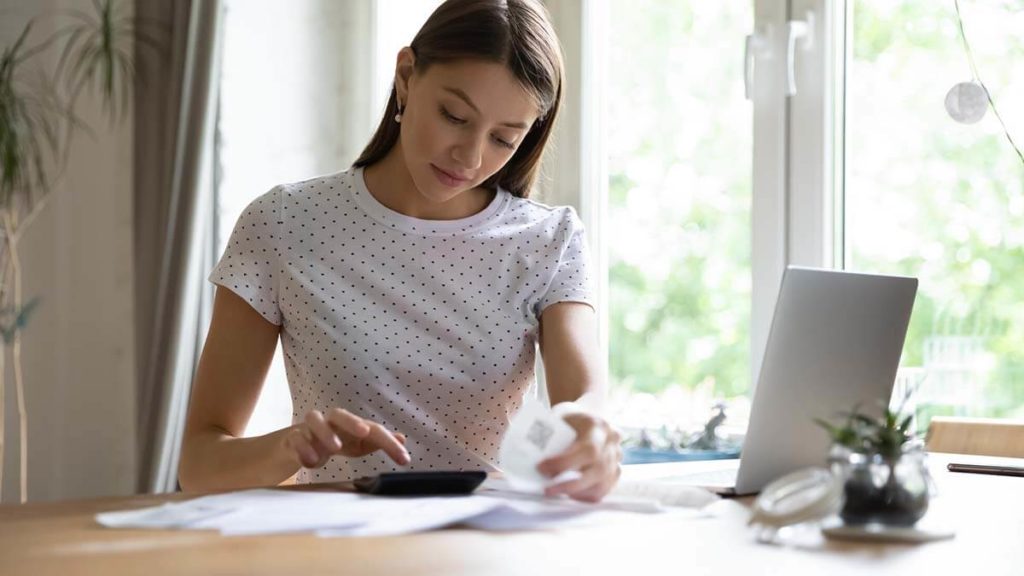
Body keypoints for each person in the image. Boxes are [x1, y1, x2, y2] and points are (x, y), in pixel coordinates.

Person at [178, 0, 621, 503]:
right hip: (339, 547)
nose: (471, 157)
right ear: (407, 76)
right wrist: (293, 447)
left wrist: (588, 430)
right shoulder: (283, 223)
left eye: (503, 138)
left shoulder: (549, 240)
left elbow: (586, 400)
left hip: (487, 547)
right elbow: (200, 464)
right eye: (454, 116)